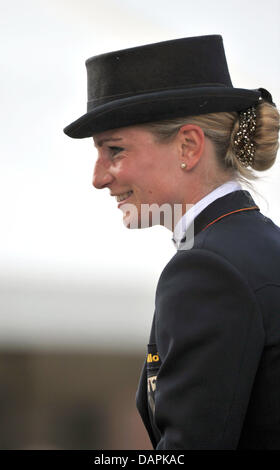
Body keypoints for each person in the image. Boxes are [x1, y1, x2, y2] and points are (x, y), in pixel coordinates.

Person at [64, 35, 280, 449]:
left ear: (189, 145)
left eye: (114, 149)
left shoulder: (208, 268)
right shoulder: (256, 247)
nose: (98, 177)